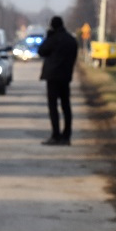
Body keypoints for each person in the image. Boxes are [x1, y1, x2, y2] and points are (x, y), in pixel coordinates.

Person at [37, 15, 78, 146]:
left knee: (53, 107)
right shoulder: (71, 40)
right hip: (65, 77)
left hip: (53, 77)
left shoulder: (53, 39)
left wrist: (48, 37)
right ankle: (67, 136)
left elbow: (41, 51)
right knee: (66, 106)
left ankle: (56, 135)